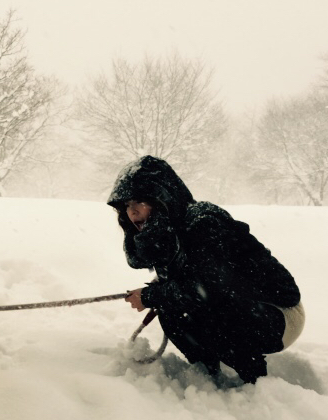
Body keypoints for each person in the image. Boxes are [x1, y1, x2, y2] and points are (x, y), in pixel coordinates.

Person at [108, 155, 305, 384]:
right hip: (246, 307)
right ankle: (209, 375)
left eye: (138, 203)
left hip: (279, 312)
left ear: (160, 197)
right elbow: (190, 280)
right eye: (127, 207)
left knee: (206, 310)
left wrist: (151, 296)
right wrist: (158, 291)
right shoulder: (171, 232)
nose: (132, 213)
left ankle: (253, 385)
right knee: (174, 309)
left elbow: (208, 287)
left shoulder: (203, 221)